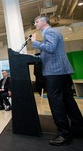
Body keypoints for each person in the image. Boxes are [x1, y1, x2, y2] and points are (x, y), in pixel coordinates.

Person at [31, 15, 83, 146]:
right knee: (68, 100)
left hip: (54, 72)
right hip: (61, 72)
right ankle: (79, 129)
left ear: (43, 22)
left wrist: (35, 42)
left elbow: (51, 48)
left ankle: (64, 134)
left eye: (37, 22)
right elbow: (50, 50)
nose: (35, 24)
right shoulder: (51, 33)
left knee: (56, 103)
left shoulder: (50, 32)